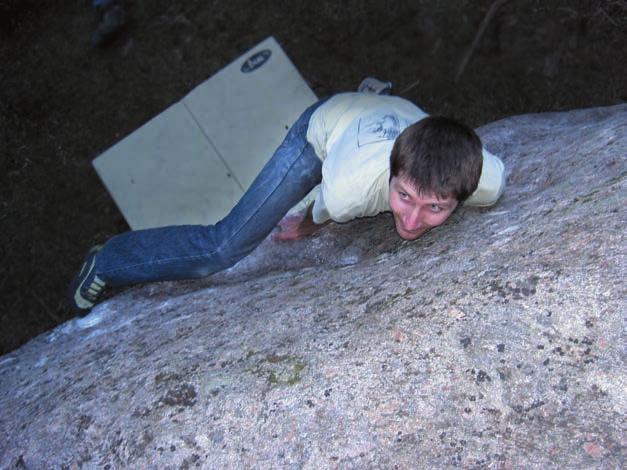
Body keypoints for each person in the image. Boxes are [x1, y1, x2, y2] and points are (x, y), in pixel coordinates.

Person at [69, 88, 505, 316]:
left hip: (392, 115)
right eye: (404, 196)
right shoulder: (349, 188)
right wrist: (307, 224)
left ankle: (370, 97)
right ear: (390, 173)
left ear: (462, 197)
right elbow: (324, 209)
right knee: (222, 247)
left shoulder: (484, 179)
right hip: (321, 131)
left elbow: (492, 174)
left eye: (435, 208)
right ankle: (108, 259)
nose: (410, 221)